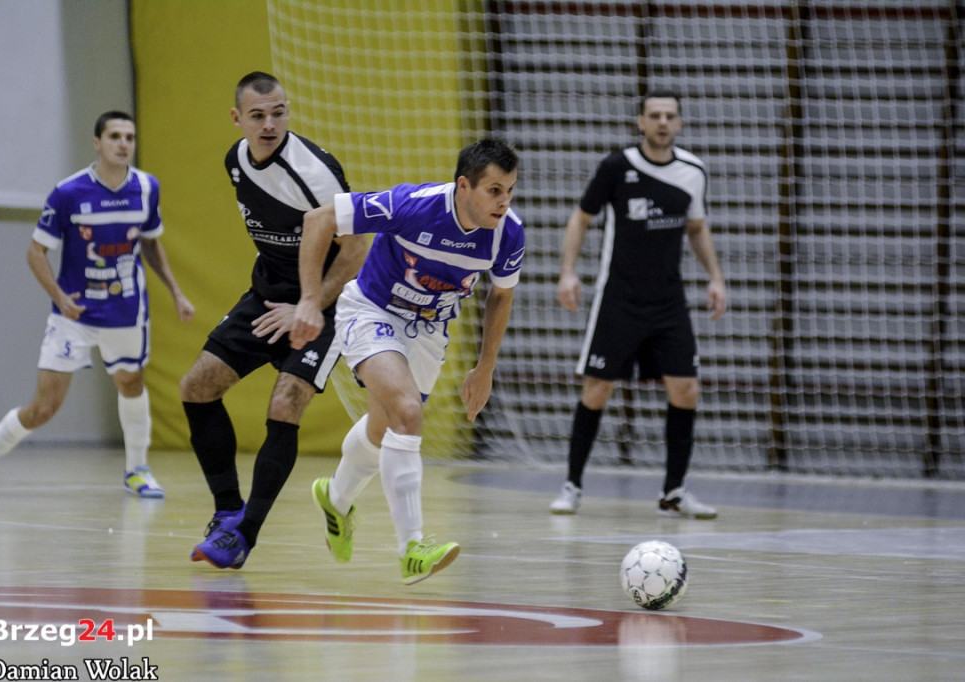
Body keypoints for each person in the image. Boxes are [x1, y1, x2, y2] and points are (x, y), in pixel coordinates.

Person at [290, 138, 524, 585]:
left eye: (510, 190)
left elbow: (501, 295)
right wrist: (308, 299)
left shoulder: (509, 233)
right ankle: (412, 548)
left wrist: (485, 368)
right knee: (408, 411)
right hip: (371, 311)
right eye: (494, 190)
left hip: (429, 331)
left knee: (383, 431)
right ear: (464, 186)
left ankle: (335, 499)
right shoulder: (412, 206)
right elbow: (318, 219)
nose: (504, 201)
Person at [0, 111, 195, 498]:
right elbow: (36, 252)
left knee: (131, 383)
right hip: (75, 314)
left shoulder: (148, 188)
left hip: (126, 311)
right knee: (45, 406)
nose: (123, 144)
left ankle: (137, 470)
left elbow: (150, 243)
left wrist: (177, 292)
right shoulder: (69, 192)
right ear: (97, 143)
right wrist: (59, 298)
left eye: (129, 137)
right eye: (115, 136)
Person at [183, 72, 368, 570]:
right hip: (267, 295)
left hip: (329, 302)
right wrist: (282, 299)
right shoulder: (235, 161)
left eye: (278, 112)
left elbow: (356, 249)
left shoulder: (316, 173)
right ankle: (227, 512)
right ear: (237, 118)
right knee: (197, 386)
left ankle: (245, 535)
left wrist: (310, 303)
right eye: (258, 115)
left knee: (285, 404)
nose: (269, 124)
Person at [549, 91, 727, 519]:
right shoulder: (617, 166)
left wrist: (716, 277)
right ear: (641, 122)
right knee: (599, 387)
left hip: (668, 300)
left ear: (679, 123)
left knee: (686, 389)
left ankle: (674, 492)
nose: (663, 122)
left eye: (670, 116)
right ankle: (572, 485)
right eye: (654, 116)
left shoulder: (692, 172)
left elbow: (697, 229)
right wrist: (568, 272)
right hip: (619, 297)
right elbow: (580, 218)